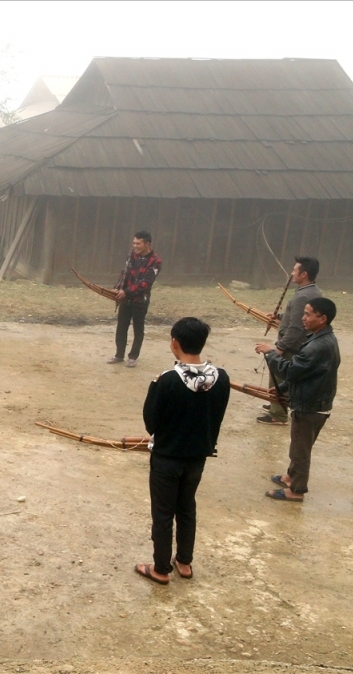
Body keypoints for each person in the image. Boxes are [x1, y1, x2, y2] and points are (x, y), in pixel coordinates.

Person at [135, 317, 230, 585]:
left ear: (174, 343)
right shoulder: (221, 378)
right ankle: (184, 562)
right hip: (198, 457)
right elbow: (218, 416)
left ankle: (161, 568)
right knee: (187, 507)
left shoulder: (166, 380)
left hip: (167, 457)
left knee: (163, 513)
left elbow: (151, 422)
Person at [255, 297, 339, 502]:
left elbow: (291, 371)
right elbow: (305, 373)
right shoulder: (318, 338)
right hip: (312, 400)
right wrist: (282, 388)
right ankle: (291, 477)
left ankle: (297, 490)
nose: (304, 318)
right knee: (299, 445)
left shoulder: (318, 346)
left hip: (311, 406)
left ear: (323, 318)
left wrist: (272, 353)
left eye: (308, 314)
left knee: (300, 450)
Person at [257, 256, 322, 425]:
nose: (292, 273)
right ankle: (277, 405)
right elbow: (298, 317)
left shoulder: (303, 296)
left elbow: (296, 327)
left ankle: (277, 414)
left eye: (295, 270)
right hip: (300, 344)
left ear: (304, 274)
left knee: (278, 376)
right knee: (286, 377)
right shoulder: (312, 291)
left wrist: (279, 348)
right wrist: (279, 316)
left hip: (292, 346)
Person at [107, 231, 162, 368]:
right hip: (125, 299)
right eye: (134, 243)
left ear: (147, 244)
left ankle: (133, 357)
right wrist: (117, 288)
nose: (135, 246)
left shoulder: (155, 261)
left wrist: (126, 292)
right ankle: (119, 355)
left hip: (140, 301)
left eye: (138, 243)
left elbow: (146, 282)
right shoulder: (132, 255)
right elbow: (124, 273)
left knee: (138, 329)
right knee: (121, 327)